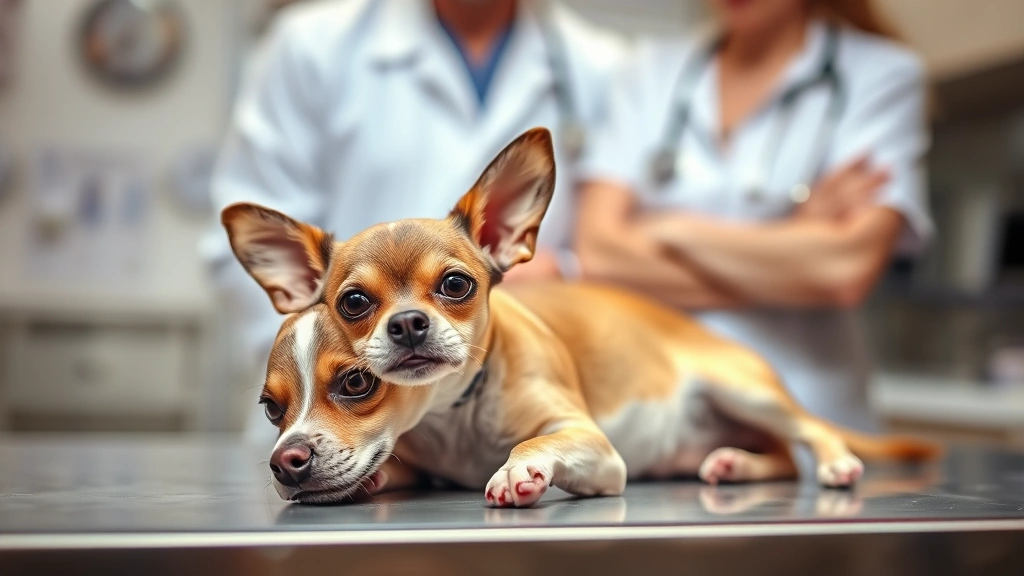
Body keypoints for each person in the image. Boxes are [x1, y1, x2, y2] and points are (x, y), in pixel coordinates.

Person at [199, 0, 623, 440]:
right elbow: (244, 246)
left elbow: (632, 254)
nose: (409, 320)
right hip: (343, 431)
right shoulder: (312, 46)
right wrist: (354, 376)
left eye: (454, 285)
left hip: (524, 417)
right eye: (358, 300)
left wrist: (568, 272)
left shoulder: (602, 67)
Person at [576, 0, 932, 432]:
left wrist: (672, 230)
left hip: (807, 413)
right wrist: (796, 238)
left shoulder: (880, 74)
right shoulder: (649, 72)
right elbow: (599, 254)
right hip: (661, 409)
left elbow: (845, 269)